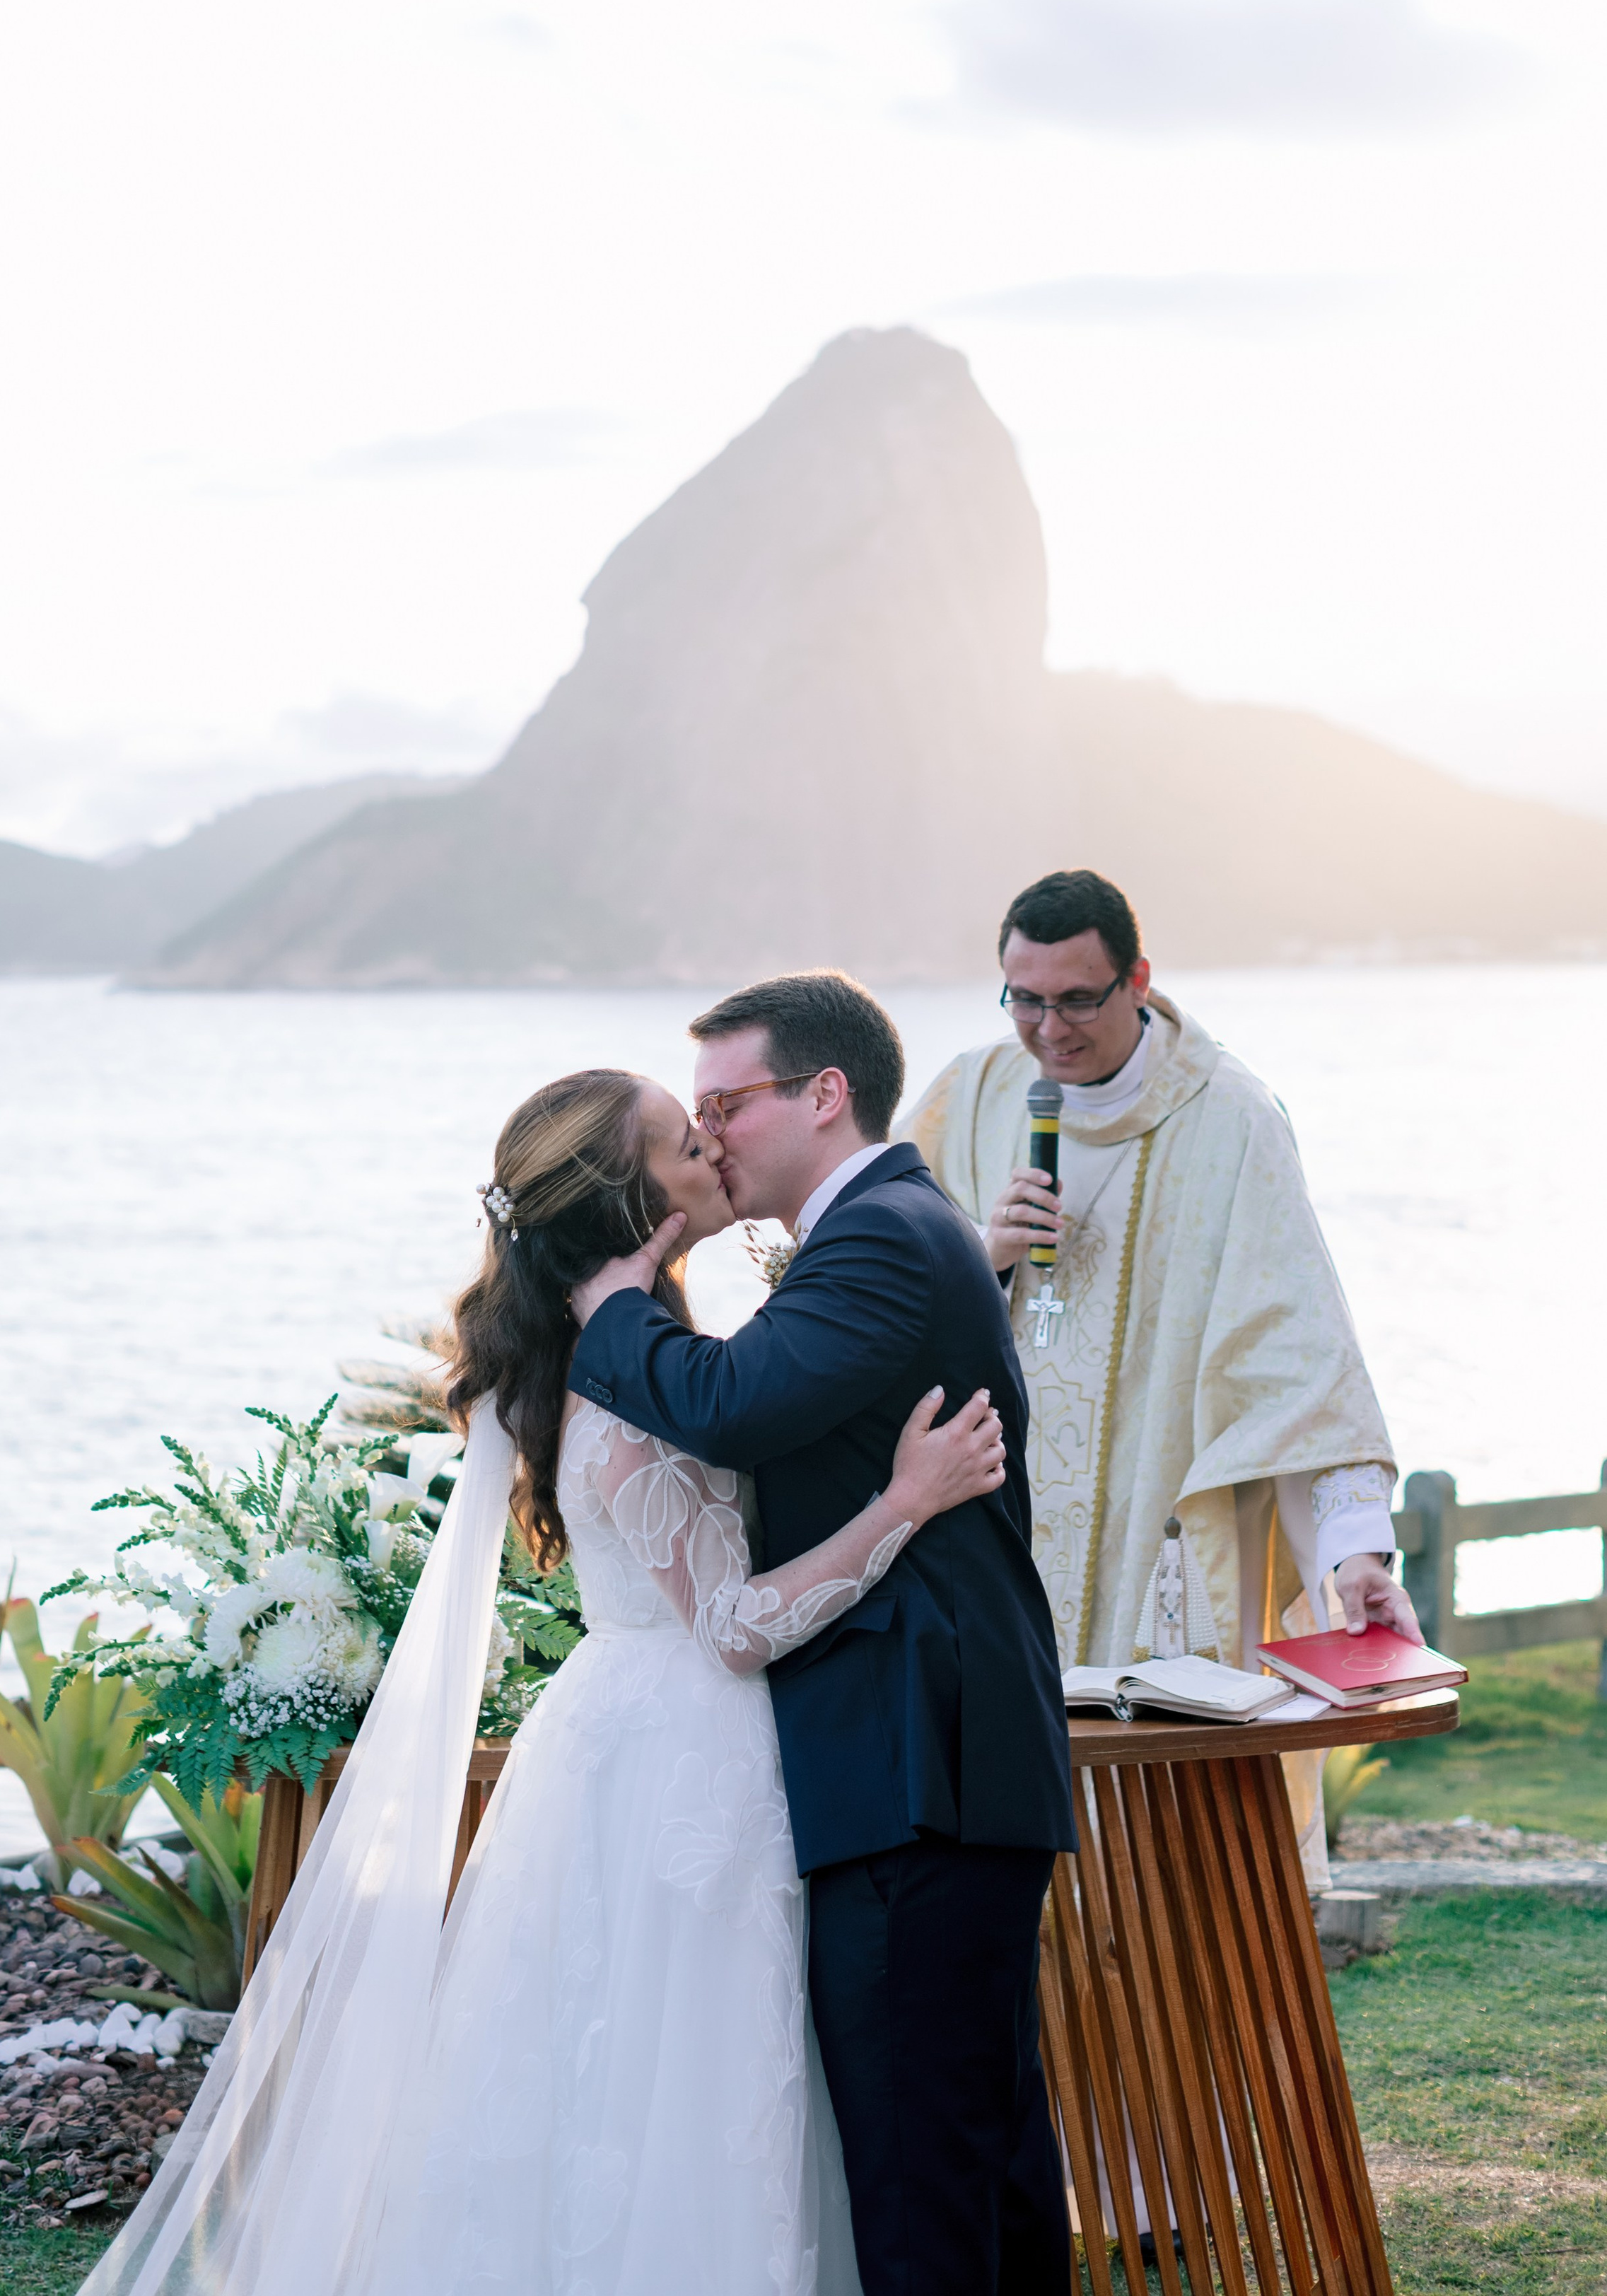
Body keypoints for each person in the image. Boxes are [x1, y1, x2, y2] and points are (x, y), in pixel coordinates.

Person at [80, 1066, 1006, 2296]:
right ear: (642, 1205)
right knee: (683, 2081)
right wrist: (904, 1503)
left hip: (637, 1744)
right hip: (689, 1752)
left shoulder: (636, 1356)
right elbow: (730, 1625)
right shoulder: (624, 1397)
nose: (717, 1145)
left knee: (637, 2083)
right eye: (688, 1140)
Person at [569, 969, 1076, 2296]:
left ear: (823, 1094)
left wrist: (604, 1308)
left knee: (925, 2181)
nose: (712, 1133)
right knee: (979, 2159)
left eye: (726, 1102)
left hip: (920, 1762)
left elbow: (730, 1403)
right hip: (926, 1761)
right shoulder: (891, 1230)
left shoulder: (886, 1235)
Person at [899, 866, 1418, 1880]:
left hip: (1153, 1532)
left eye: (1079, 999)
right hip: (990, 1533)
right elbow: (870, 1291)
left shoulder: (1231, 1121)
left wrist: (1357, 1550)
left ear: (1139, 978)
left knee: (1156, 1866)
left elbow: (1301, 1363)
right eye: (1026, 1000)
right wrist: (977, 1250)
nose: (1049, 1030)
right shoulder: (972, 1096)